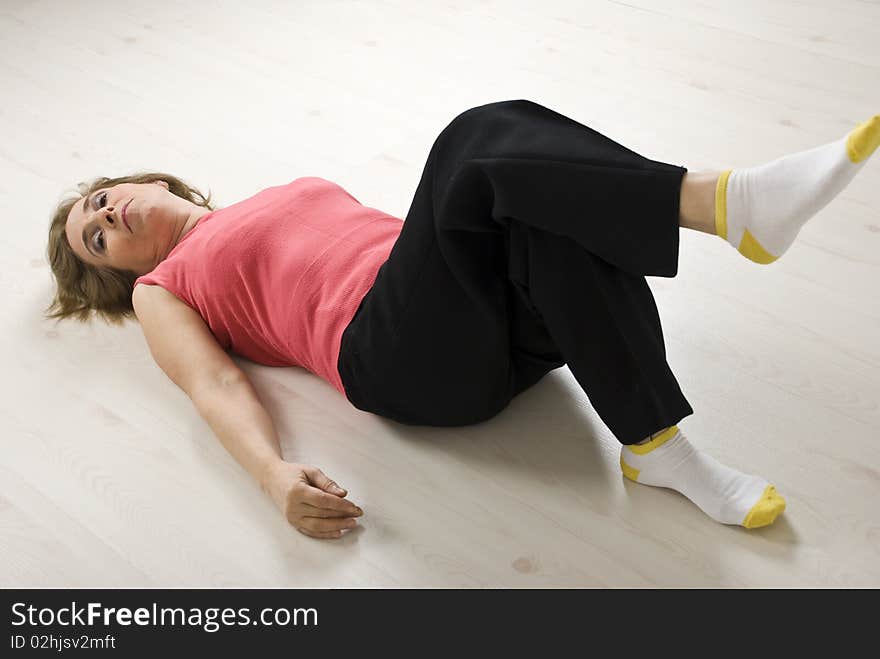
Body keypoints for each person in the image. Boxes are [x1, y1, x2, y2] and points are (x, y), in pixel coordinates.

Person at [47, 99, 879, 540]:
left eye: (99, 202)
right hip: (394, 353)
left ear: (143, 181)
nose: (105, 220)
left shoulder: (265, 194)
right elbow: (215, 382)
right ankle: (729, 204)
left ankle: (658, 447)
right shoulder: (164, 285)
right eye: (94, 241)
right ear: (117, 274)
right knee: (477, 137)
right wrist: (272, 474)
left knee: (549, 212)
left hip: (479, 322)